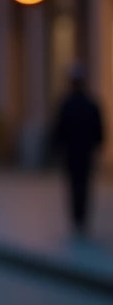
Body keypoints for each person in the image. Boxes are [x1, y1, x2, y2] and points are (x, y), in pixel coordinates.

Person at [51, 63, 105, 236]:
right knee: (84, 185)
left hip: (72, 153)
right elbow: (99, 131)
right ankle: (81, 218)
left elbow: (58, 130)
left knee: (74, 185)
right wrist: (97, 146)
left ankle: (77, 218)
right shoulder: (90, 104)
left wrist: (57, 148)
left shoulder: (67, 104)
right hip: (85, 153)